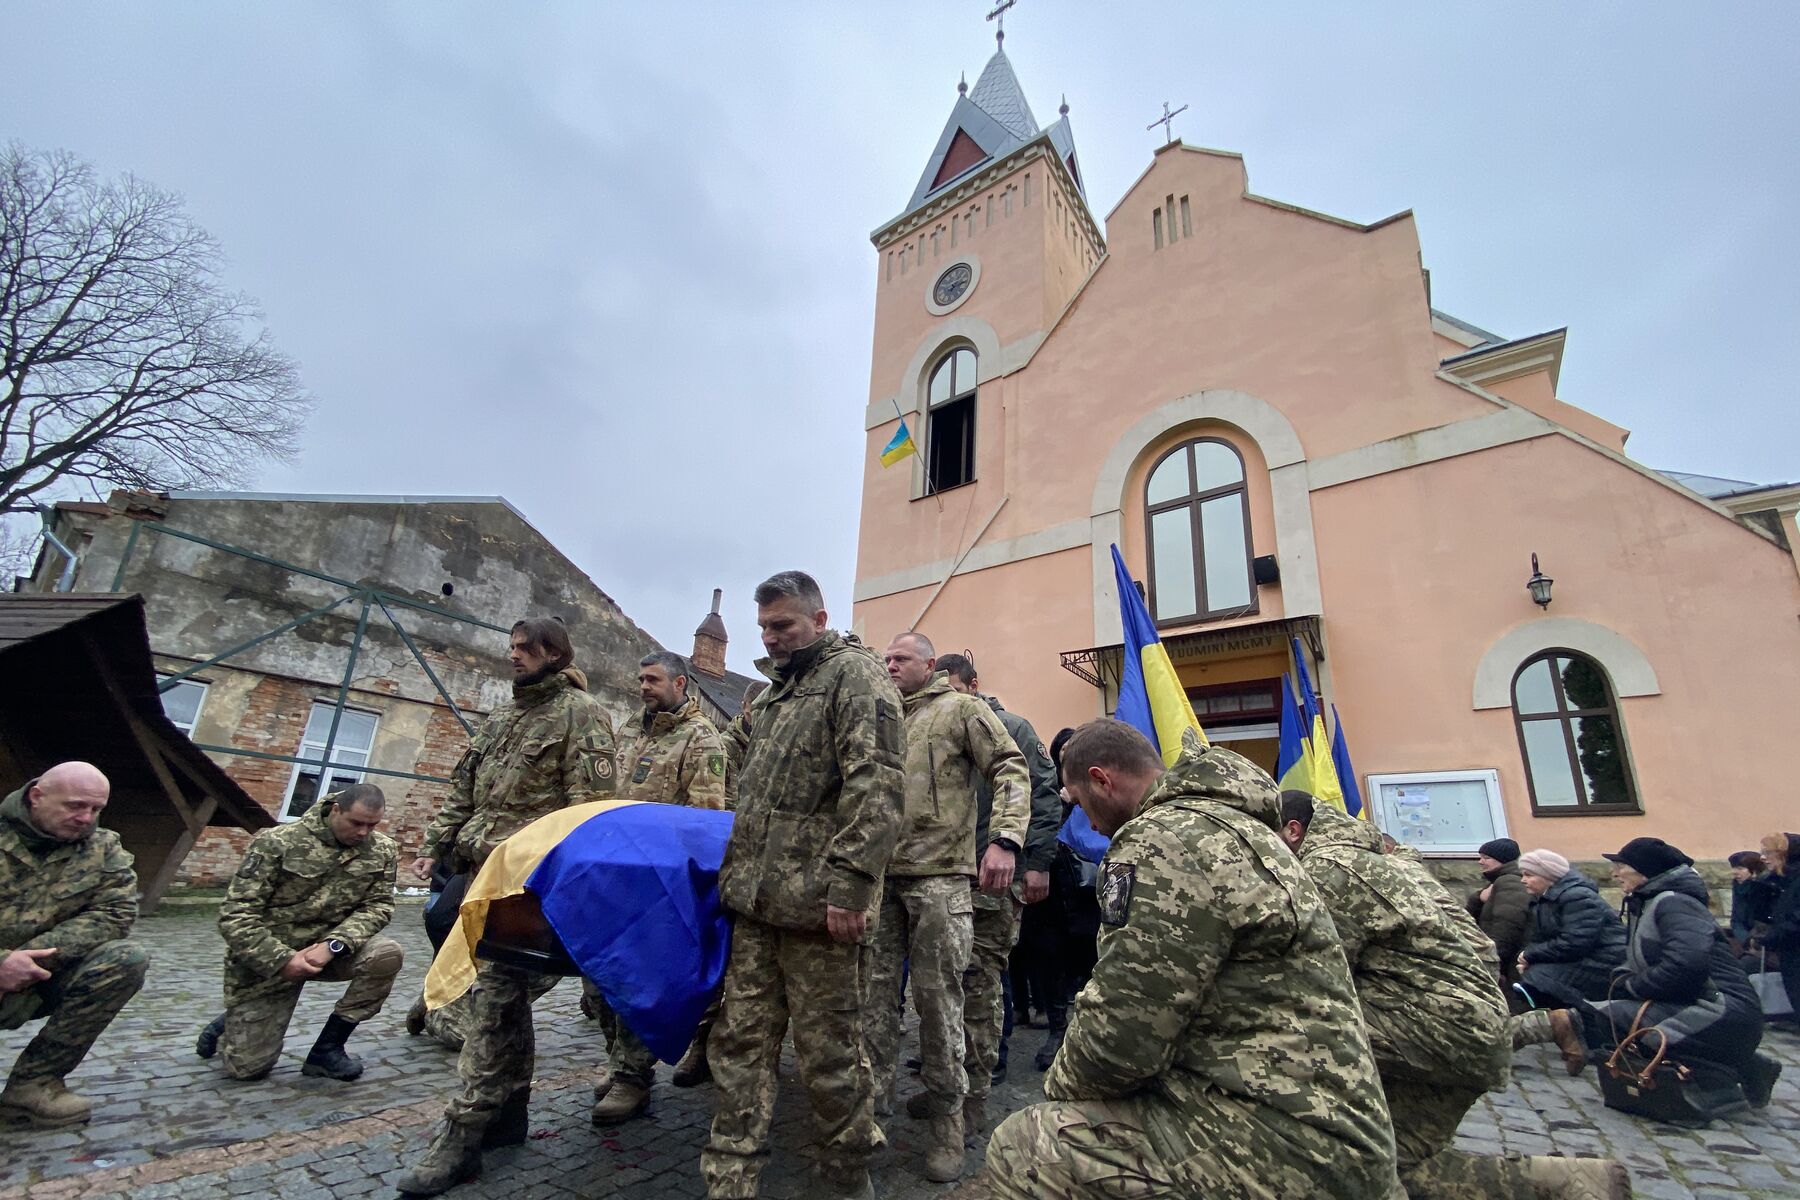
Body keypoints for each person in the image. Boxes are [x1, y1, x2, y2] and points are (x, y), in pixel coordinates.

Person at [955, 720, 1401, 1200]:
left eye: (1082, 803)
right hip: (1327, 1110)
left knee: (1025, 1143)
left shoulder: (1159, 841)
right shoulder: (1234, 822)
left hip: (1288, 1138)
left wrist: (1062, 1084)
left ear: (1103, 779)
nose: (1090, 823)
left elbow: (1124, 1030)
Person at [1279, 793, 1628, 1199]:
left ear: (1293, 830)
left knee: (1346, 1150)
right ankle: (1563, 1182)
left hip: (1435, 1030)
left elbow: (1313, 974)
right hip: (1463, 1022)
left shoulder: (1331, 868)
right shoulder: (1389, 859)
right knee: (1383, 1159)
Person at [397, 617, 618, 1197]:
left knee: (494, 999)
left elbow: (588, 813)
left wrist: (560, 889)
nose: (514, 655)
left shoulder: (582, 714)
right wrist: (433, 847)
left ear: (555, 653)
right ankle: (508, 1112)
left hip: (524, 887)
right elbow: (463, 789)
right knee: (507, 999)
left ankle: (462, 1133)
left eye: (526, 648)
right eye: (513, 646)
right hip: (476, 876)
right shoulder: (505, 716)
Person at [700, 571, 903, 1200]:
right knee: (738, 1049)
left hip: (820, 911)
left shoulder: (857, 677)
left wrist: (849, 887)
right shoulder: (771, 693)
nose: (771, 637)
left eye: (782, 625)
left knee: (831, 1060)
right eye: (763, 627)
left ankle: (843, 1180)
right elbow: (734, 772)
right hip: (756, 905)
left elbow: (878, 788)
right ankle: (730, 1181)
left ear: (818, 620)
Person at [870, 635, 1028, 1182]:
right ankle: (870, 1113)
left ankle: (948, 1121)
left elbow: (1011, 767)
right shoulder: (880, 715)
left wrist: (1005, 840)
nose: (890, 666)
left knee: (939, 1006)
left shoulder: (961, 710)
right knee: (872, 1004)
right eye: (885, 659)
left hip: (940, 879)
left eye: (901, 659)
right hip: (880, 881)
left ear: (929, 665)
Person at [590, 651, 728, 1121]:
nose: (644, 686)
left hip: (657, 882)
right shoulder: (631, 729)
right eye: (641, 678)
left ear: (681, 684)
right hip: (611, 872)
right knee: (598, 980)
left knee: (636, 980)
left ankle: (634, 1078)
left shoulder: (702, 739)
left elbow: (704, 821)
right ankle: (618, 1062)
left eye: (653, 679)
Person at [927, 653, 1059, 1113]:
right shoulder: (935, 727)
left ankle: (985, 1072)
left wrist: (1036, 862)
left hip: (997, 876)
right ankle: (945, 1071)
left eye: (952, 685)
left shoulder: (1013, 728)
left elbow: (1041, 794)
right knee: (946, 978)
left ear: (973, 683)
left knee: (983, 976)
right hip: (947, 875)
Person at [196, 783, 401, 1081]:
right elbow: (236, 915)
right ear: (335, 810)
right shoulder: (278, 842)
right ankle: (231, 1021)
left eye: (372, 825)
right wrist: (283, 960)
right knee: (248, 1068)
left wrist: (333, 945)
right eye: (356, 823)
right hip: (272, 961)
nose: (363, 833)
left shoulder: (382, 849)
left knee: (387, 954)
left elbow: (379, 906)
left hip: (330, 953)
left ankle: (327, 1050)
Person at [1580, 838, 1781, 1110]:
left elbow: (1686, 966)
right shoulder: (1650, 902)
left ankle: (1720, 1080)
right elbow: (1640, 958)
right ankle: (1741, 1065)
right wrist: (1624, 979)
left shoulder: (1674, 904)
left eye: (1620, 866)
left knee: (1611, 1017)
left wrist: (1635, 987)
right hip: (1700, 1003)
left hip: (1722, 1009)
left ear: (1644, 870)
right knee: (1610, 1015)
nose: (1614, 874)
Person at [0, 764, 148, 1128]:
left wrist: (26, 960)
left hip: (34, 978)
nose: (86, 818)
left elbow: (115, 913)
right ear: (37, 795)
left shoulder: (102, 847)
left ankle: (33, 1085)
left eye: (96, 810)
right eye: (76, 806)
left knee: (125, 960)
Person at [1510, 849, 1628, 1022]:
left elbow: (1575, 942)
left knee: (1540, 977)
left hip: (1606, 959)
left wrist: (1530, 955)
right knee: (1533, 975)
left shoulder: (1577, 896)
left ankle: (1587, 1019)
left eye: (1529, 875)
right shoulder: (1543, 899)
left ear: (1548, 875)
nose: (1523, 880)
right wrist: (1528, 958)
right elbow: (1540, 938)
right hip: (1584, 956)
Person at [1467, 837, 1530, 988]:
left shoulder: (1509, 882)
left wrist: (1493, 961)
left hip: (1509, 967)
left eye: (1486, 858)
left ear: (1503, 860)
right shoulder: (1498, 882)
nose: (1480, 862)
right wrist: (1478, 898)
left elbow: (1507, 927)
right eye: (1480, 857)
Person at [1751, 832, 1800, 1011]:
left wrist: (1770, 936)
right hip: (1789, 951)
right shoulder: (1780, 880)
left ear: (1785, 854)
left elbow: (1796, 920)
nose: (1763, 858)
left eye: (1769, 852)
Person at [718, 680, 765, 808]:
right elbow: (729, 801)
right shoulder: (724, 746)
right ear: (745, 706)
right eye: (753, 712)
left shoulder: (771, 745)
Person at [1726, 850, 1778, 955]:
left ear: (1754, 871)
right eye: (1734, 868)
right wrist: (1746, 940)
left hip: (1766, 946)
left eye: (1740, 868)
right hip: (1748, 943)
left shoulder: (1766, 888)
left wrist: (1755, 942)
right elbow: (1736, 920)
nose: (1735, 872)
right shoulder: (1739, 887)